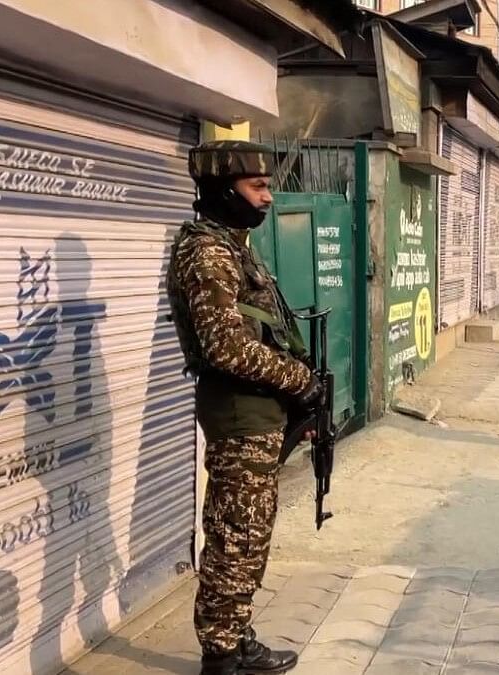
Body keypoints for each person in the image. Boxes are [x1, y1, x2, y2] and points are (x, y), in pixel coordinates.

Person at [167, 140, 321, 675]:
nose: (268, 198)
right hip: (238, 410)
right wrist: (298, 378)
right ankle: (222, 655)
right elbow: (224, 347)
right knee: (237, 534)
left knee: (249, 531)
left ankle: (234, 635)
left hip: (256, 409)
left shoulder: (231, 244)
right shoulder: (208, 253)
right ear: (221, 189)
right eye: (258, 187)